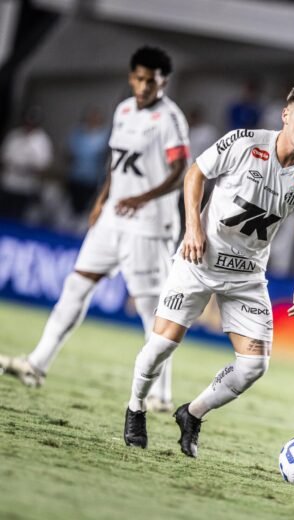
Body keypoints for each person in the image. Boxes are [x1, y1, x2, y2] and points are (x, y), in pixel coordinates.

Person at [122, 83, 294, 458]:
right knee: (161, 345)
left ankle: (192, 413)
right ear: (286, 116)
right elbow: (195, 174)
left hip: (247, 276)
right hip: (198, 260)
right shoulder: (244, 143)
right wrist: (193, 228)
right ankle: (136, 407)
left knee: (254, 365)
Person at [0, 46, 190, 413]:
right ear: (131, 77)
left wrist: (142, 198)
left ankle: (161, 393)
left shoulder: (170, 119)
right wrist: (103, 198)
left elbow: (180, 170)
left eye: (151, 81)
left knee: (152, 308)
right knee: (77, 284)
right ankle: (37, 364)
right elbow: (116, 163)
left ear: (164, 82)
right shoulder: (124, 110)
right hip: (113, 218)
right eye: (139, 78)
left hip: (149, 226)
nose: (144, 86)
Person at [0, 106, 53, 220]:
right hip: (8, 182)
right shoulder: (14, 136)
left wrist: (27, 168)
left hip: (26, 186)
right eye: (27, 121)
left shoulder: (42, 141)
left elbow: (43, 166)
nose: (29, 125)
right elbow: (4, 157)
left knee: (17, 217)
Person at [66, 106, 110, 216]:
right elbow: (69, 152)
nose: (93, 120)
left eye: (96, 118)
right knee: (73, 207)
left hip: (93, 179)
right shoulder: (78, 133)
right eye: (91, 117)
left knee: (87, 207)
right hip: (75, 176)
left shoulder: (104, 136)